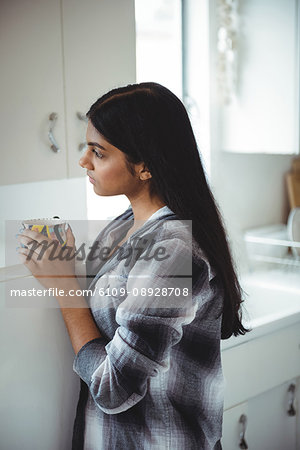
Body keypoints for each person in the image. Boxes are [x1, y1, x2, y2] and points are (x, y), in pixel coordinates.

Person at [17, 82, 251, 449]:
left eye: (98, 152)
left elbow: (114, 390)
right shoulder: (127, 224)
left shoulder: (175, 251)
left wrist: (62, 286)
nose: (84, 161)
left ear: (144, 166)